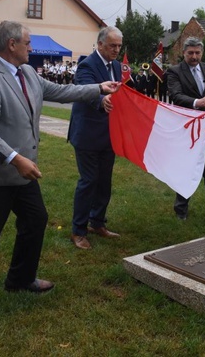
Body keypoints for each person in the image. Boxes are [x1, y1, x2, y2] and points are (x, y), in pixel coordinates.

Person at [0, 20, 119, 314]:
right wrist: (14, 158)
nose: (31, 48)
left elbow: (61, 92)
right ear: (12, 45)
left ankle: (20, 279)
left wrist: (98, 88)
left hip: (22, 172)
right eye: (28, 43)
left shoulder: (28, 73)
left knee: (35, 220)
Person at [67, 27, 124, 250]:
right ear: (100, 44)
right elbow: (85, 90)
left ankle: (97, 222)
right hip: (88, 134)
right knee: (88, 181)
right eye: (112, 45)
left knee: (104, 182)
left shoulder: (117, 66)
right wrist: (101, 101)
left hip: (108, 134)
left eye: (119, 46)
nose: (116, 50)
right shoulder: (86, 65)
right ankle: (78, 231)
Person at [167, 36, 205, 225]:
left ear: (202, 53)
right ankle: (181, 208)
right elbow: (175, 96)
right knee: (186, 169)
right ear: (183, 53)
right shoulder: (174, 71)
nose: (194, 56)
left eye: (197, 53)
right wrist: (196, 102)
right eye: (190, 53)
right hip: (188, 129)